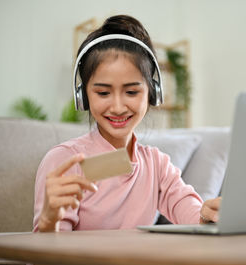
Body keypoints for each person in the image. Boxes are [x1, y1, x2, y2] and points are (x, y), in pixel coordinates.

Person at [33, 15, 221, 232]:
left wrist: (210, 217)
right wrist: (48, 222)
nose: (118, 106)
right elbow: (42, 259)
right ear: (83, 96)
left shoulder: (156, 165)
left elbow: (194, 218)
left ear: (153, 93)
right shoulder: (65, 161)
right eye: (103, 92)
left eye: (131, 92)